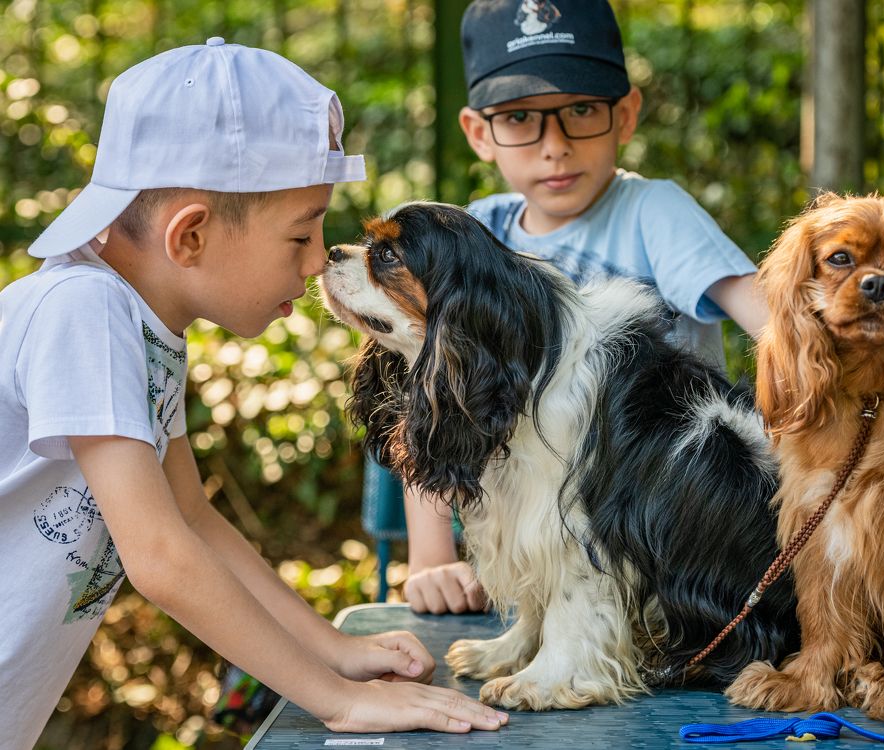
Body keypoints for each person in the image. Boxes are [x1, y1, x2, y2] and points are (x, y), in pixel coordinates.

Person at [0, 39, 508, 750]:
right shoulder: (84, 309)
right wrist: (339, 702)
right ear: (192, 234)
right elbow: (161, 556)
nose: (316, 261)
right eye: (301, 234)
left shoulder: (140, 325)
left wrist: (332, 649)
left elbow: (193, 519)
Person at [402, 0, 769, 615]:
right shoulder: (471, 240)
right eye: (520, 118)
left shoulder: (654, 213)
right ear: (477, 132)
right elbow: (435, 397)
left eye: (580, 111)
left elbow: (777, 327)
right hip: (530, 574)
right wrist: (433, 558)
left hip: (662, 556)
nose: (555, 146)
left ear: (625, 116)